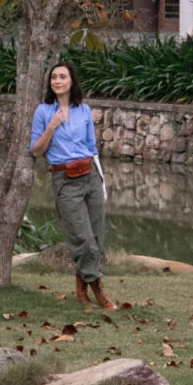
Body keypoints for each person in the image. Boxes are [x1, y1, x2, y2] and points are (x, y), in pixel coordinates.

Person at [30, 61, 116, 311]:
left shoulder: (84, 110)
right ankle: (98, 288)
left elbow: (92, 148)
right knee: (83, 239)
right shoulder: (43, 111)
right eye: (53, 77)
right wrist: (52, 127)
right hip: (65, 181)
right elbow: (36, 150)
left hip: (90, 176)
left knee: (97, 240)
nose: (57, 81)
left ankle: (81, 289)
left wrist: (102, 183)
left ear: (71, 81)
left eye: (62, 77)